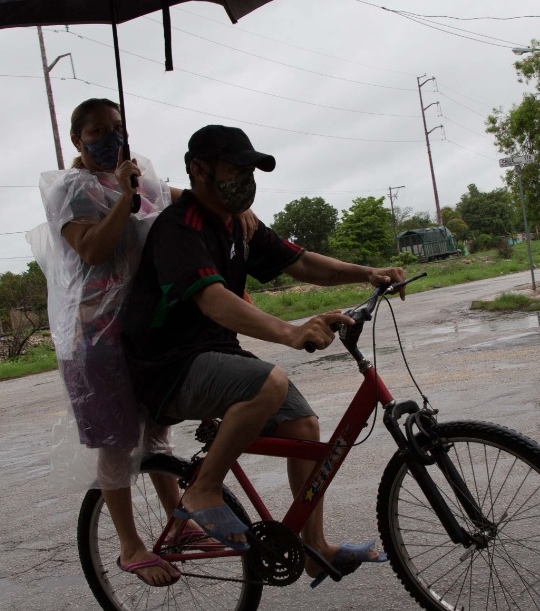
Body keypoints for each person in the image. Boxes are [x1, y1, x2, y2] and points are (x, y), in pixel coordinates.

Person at [121, 124, 405, 576]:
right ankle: (202, 490)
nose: (245, 178)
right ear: (198, 170)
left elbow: (300, 261)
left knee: (303, 426)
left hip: (214, 355)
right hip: (168, 366)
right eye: (234, 168)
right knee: (269, 381)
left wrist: (366, 273)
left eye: (250, 169)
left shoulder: (239, 225)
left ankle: (315, 548)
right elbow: (212, 299)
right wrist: (290, 332)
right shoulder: (181, 227)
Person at [37, 98, 227, 588]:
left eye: (116, 127)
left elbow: (179, 199)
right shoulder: (69, 190)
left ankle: (179, 525)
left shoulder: (138, 173)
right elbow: (94, 248)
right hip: (95, 337)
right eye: (97, 130)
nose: (110, 138)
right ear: (77, 140)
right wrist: (124, 196)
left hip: (145, 326)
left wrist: (229, 210)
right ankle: (128, 546)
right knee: (118, 440)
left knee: (158, 433)